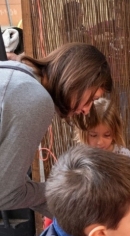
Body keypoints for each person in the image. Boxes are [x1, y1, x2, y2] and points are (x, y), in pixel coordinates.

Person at [0, 42, 112, 218]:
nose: (87, 110)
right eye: (92, 98)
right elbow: (6, 193)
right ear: (77, 80)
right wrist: (66, 193)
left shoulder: (16, 75)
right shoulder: (35, 99)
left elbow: (7, 177)